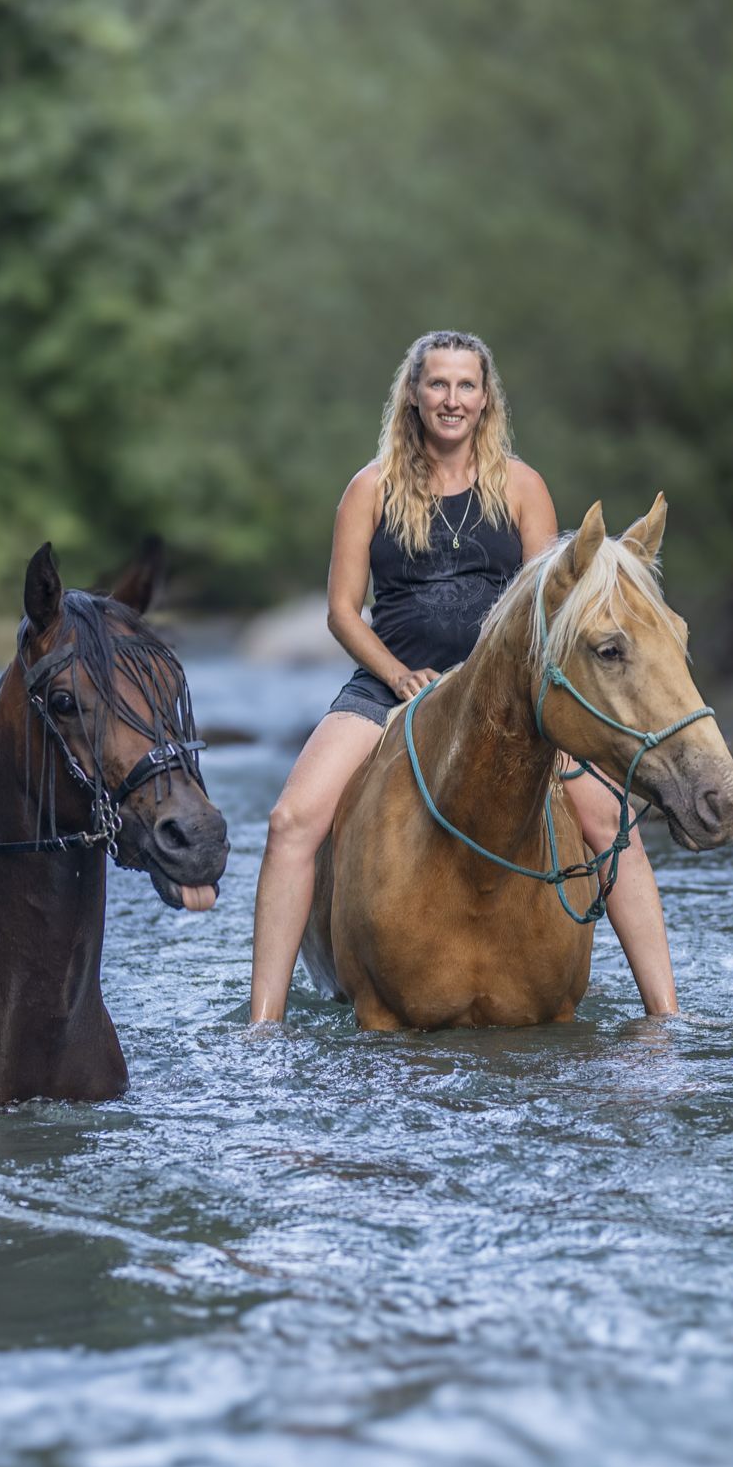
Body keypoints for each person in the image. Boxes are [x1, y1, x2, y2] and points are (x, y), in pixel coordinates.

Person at [246, 329, 681, 1023]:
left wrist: (558, 716)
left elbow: (553, 608)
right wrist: (395, 674)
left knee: (607, 816)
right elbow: (340, 611)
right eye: (439, 384)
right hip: (392, 684)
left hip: (506, 696)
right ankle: (263, 1025)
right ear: (413, 396)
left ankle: (666, 1014)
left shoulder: (521, 485)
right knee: (291, 820)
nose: (453, 399)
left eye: (466, 386)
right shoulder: (369, 489)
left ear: (486, 400)